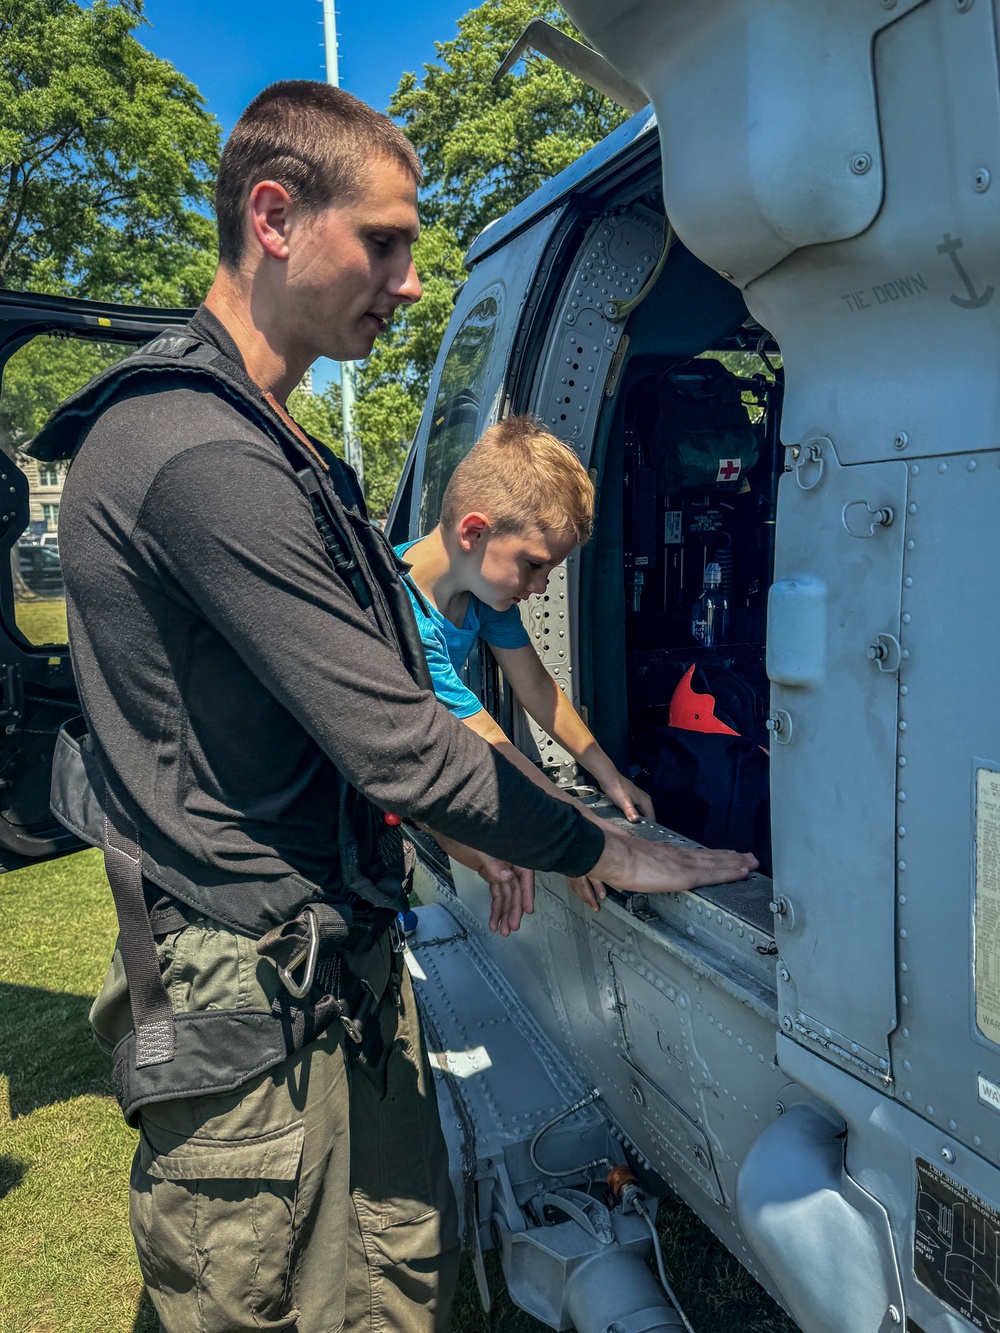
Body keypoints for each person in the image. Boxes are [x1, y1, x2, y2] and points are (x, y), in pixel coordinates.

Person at [42, 80, 756, 1333]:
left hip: (332, 969)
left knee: (395, 1276)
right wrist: (605, 845)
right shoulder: (196, 455)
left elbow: (355, 722)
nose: (411, 280)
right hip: (252, 1009)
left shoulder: (274, 444)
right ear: (274, 216)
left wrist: (473, 822)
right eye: (384, 240)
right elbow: (399, 736)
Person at [397, 416, 654, 914]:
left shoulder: (480, 597)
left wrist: (607, 775)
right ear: (474, 531)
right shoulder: (401, 612)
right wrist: (580, 832)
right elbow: (485, 737)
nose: (538, 587)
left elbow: (535, 685)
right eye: (534, 565)